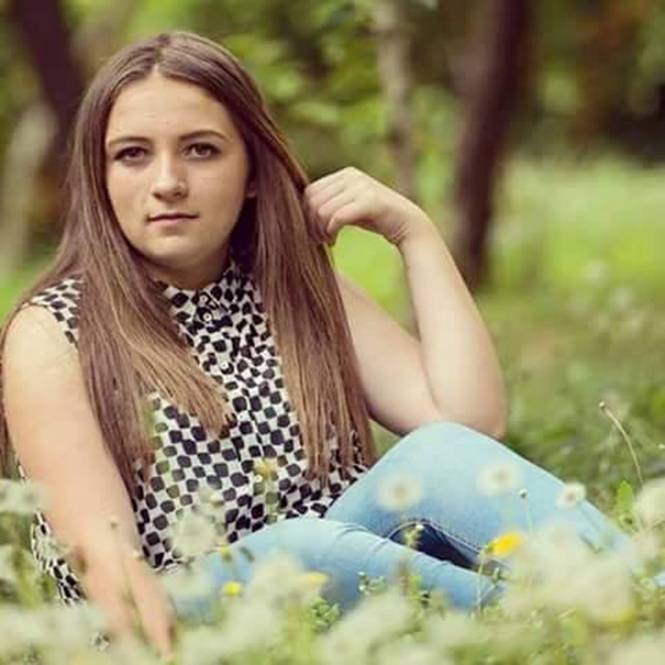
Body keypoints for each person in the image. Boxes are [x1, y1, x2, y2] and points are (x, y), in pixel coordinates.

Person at [0, 31, 640, 659]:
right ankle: (587, 622)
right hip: (178, 623)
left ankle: (641, 593)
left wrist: (414, 234)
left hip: (339, 587)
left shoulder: (294, 286)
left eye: (200, 150)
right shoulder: (54, 333)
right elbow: (111, 570)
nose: (167, 181)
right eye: (133, 155)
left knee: (431, 455)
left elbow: (468, 426)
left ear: (253, 173)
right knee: (304, 546)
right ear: (100, 177)